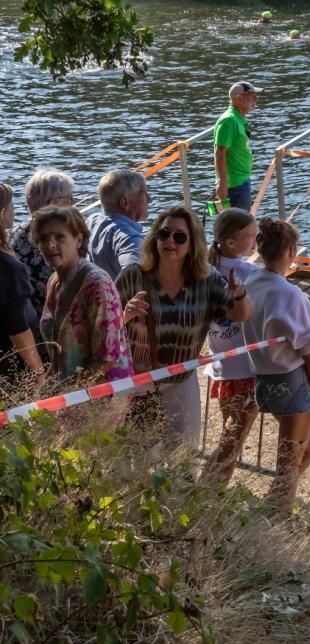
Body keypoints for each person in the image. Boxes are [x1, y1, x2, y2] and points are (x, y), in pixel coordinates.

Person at [117, 206, 252, 445]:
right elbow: (105, 327)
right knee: (142, 458)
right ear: (154, 237)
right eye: (164, 234)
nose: (170, 241)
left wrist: (239, 295)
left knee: (184, 455)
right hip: (139, 384)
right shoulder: (133, 276)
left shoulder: (206, 280)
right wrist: (124, 316)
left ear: (192, 244)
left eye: (179, 237)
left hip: (183, 381)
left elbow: (239, 316)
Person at [240, 218, 310, 514]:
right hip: (291, 383)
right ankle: (275, 516)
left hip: (264, 381)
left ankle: (274, 503)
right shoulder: (287, 293)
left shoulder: (252, 282)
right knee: (288, 462)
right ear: (292, 251)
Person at [32, 206, 133, 385]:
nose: (50, 245)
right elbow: (58, 355)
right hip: (68, 392)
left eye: (59, 237)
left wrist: (67, 394)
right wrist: (46, 387)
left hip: (100, 395)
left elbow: (107, 358)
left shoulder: (96, 284)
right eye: (43, 238)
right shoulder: (54, 281)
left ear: (78, 240)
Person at [200, 208, 261, 484]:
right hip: (245, 368)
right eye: (251, 236)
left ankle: (214, 489)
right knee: (233, 440)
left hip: (222, 365)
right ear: (232, 242)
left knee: (231, 434)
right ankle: (207, 489)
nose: (255, 241)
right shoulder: (247, 273)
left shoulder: (206, 270)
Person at [12, 168, 75, 316]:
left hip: (20, 322)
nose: (74, 203)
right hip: (48, 326)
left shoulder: (17, 232)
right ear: (53, 203)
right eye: (70, 197)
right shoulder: (56, 242)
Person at [0, 183, 44, 383]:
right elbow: (18, 329)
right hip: (8, 367)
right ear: (2, 213)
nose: (14, 212)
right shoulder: (9, 267)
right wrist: (38, 372)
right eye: (11, 208)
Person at [87, 169, 150, 280]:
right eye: (144, 193)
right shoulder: (129, 239)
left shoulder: (91, 222)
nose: (150, 199)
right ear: (125, 203)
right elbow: (135, 280)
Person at [213, 81, 262, 212]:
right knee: (238, 228)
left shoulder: (238, 118)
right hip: (234, 186)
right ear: (240, 99)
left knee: (242, 224)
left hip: (242, 180)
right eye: (252, 96)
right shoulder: (229, 120)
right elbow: (220, 152)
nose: (256, 99)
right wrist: (222, 183)